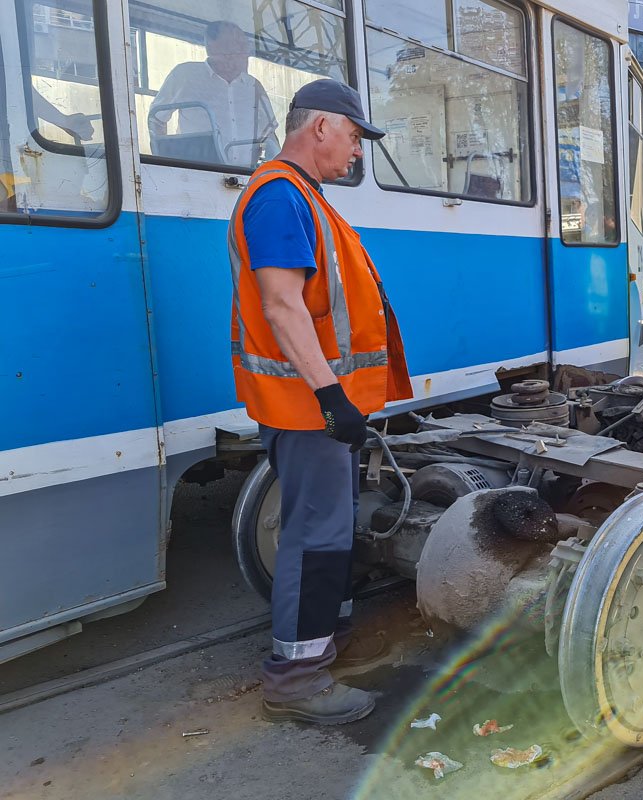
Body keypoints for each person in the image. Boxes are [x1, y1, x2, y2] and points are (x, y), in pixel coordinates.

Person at [228, 79, 412, 723]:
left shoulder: (303, 196)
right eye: (357, 138)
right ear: (324, 127)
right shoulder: (280, 196)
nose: (358, 152)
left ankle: (319, 644)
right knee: (314, 536)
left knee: (325, 531)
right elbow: (281, 305)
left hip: (314, 407)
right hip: (307, 408)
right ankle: (297, 679)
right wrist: (333, 398)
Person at [149, 21, 279, 167]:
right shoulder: (185, 75)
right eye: (233, 44)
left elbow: (270, 137)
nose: (243, 51)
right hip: (197, 175)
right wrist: (163, 164)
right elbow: (156, 120)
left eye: (244, 46)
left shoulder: (254, 86)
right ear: (211, 47)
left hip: (245, 178)